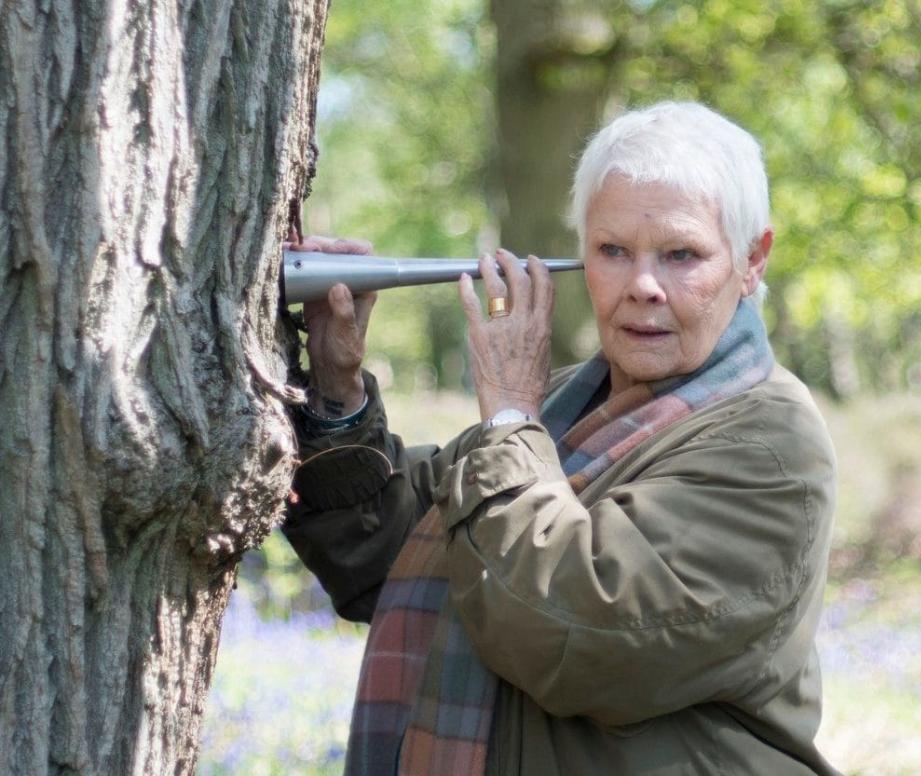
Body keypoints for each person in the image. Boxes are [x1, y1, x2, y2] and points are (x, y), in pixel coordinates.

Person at [282, 101, 839, 776]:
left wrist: (511, 419)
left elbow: (574, 635)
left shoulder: (772, 443)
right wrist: (337, 392)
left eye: (681, 254)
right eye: (613, 251)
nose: (642, 286)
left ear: (752, 260)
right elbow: (383, 559)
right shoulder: (565, 403)